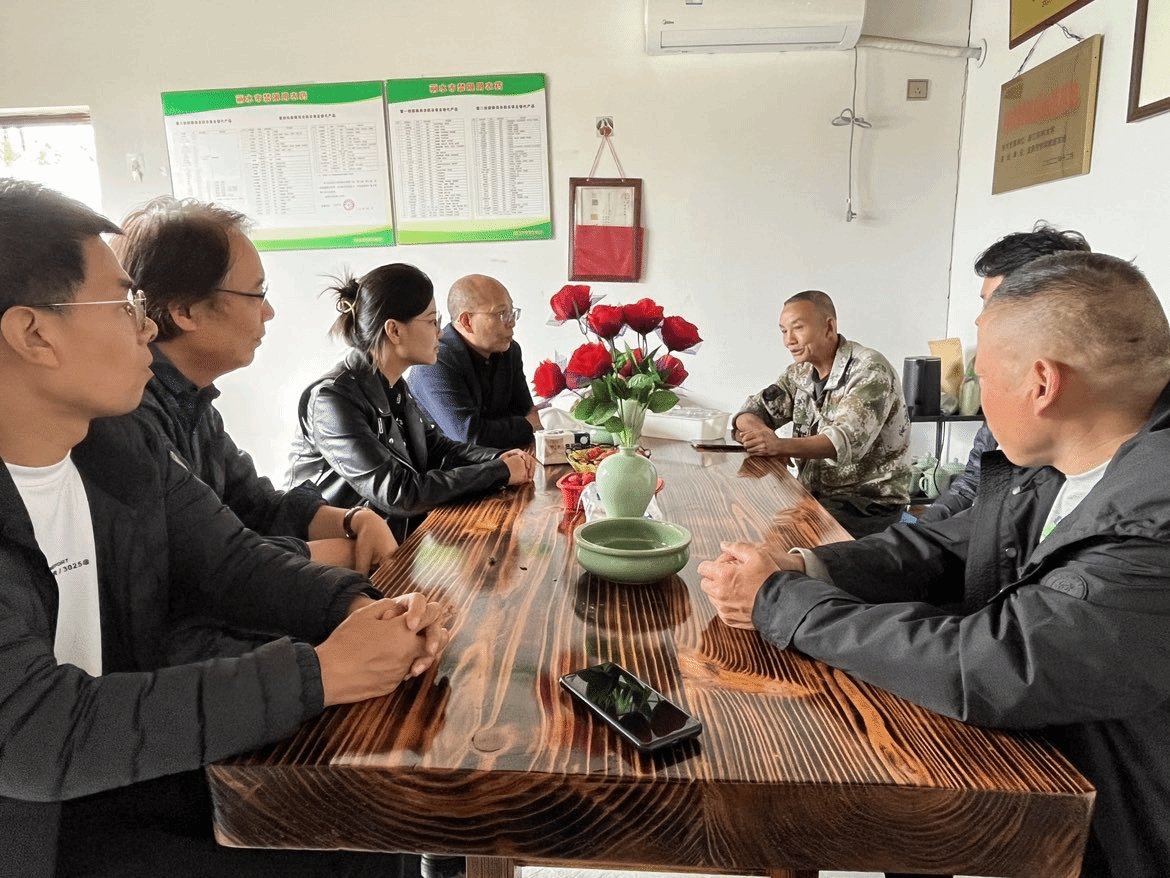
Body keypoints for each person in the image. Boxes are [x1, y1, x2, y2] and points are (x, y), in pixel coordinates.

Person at [0, 179, 451, 877]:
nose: (146, 327)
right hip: (40, 829)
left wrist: (362, 607)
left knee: (371, 807)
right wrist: (319, 673)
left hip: (131, 766)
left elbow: (233, 563)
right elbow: (35, 731)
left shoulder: (118, 446)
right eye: (122, 304)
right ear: (33, 333)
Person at [700, 252, 1170, 877]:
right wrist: (802, 566)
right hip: (1055, 765)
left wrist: (779, 602)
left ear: (1042, 384)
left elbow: (995, 663)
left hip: (1116, 822)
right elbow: (949, 544)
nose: (977, 396)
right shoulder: (1064, 462)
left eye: (984, 376)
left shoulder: (1151, 517)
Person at [112, 196, 398, 574]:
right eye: (256, 294)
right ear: (184, 311)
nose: (269, 311)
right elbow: (206, 561)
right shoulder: (133, 411)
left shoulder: (192, 400)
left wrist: (354, 520)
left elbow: (257, 506)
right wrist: (347, 554)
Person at [287, 263, 535, 543]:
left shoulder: (393, 385)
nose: (440, 333)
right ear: (394, 330)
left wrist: (501, 458)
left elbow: (440, 449)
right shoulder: (332, 400)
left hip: (390, 542)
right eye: (431, 321)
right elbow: (398, 493)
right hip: (333, 553)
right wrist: (499, 471)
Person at [918, 222, 1090, 523]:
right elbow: (971, 484)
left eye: (993, 305)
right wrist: (914, 526)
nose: (980, 320)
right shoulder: (1008, 389)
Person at [731, 290, 911, 537]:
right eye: (783, 331)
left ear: (829, 327)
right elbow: (751, 411)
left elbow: (843, 441)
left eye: (798, 328)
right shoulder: (800, 371)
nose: (789, 340)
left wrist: (779, 446)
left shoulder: (870, 368)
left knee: (773, 539)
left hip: (868, 506)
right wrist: (762, 433)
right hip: (814, 497)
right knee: (745, 515)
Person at [407, 274, 541, 448]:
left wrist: (524, 424)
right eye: (501, 314)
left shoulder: (509, 350)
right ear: (467, 321)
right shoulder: (435, 361)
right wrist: (526, 425)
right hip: (446, 463)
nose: (512, 322)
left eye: (511, 312)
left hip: (502, 456)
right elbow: (470, 436)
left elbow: (525, 411)